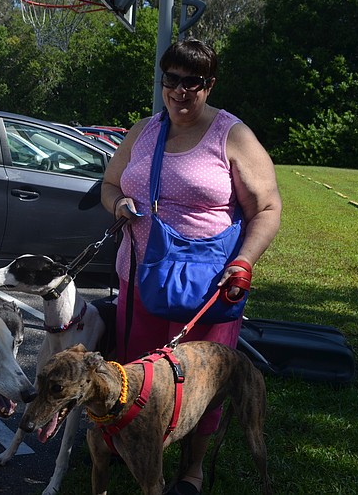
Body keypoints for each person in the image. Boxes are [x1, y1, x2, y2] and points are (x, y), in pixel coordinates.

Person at [101, 38, 281, 495]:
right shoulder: (143, 131)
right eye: (172, 80)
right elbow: (109, 184)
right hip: (139, 278)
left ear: (209, 85)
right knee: (140, 377)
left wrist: (244, 262)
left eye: (193, 82)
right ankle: (138, 451)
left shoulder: (232, 135)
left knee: (200, 383)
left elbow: (267, 208)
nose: (180, 91)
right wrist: (118, 203)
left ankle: (193, 470)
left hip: (209, 286)